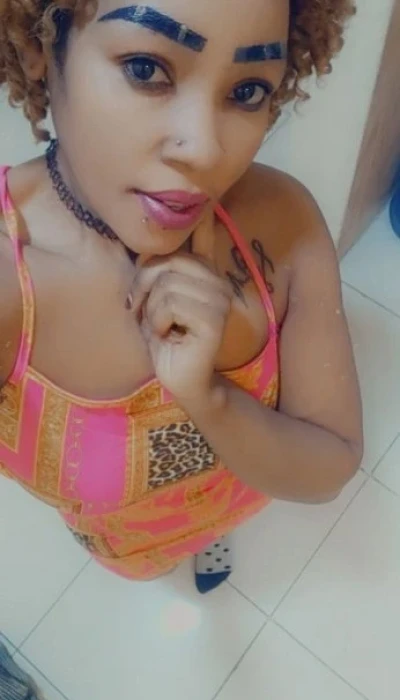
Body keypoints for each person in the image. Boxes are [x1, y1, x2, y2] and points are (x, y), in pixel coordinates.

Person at [0, 0, 363, 594]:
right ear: (41, 45)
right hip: (128, 541)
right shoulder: (11, 291)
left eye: (247, 91)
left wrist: (209, 398)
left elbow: (328, 467)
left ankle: (208, 535)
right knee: (153, 564)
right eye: (146, 70)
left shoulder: (284, 221)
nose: (205, 150)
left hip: (242, 492)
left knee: (220, 519)